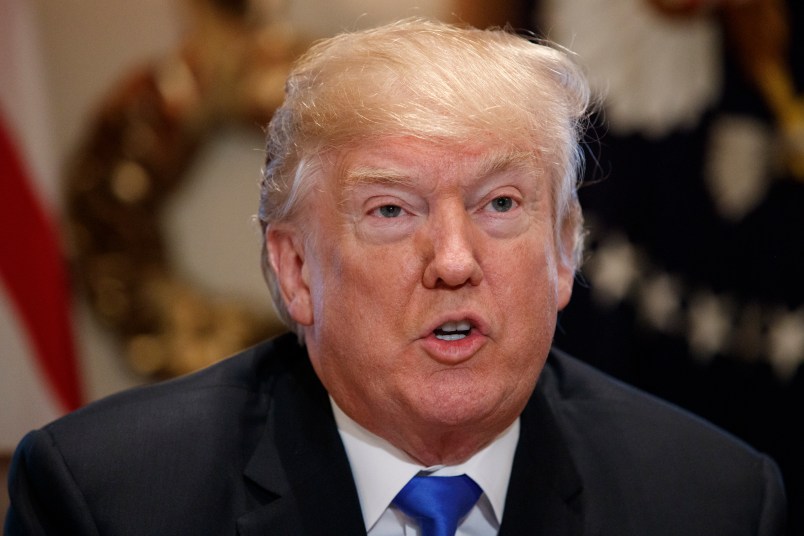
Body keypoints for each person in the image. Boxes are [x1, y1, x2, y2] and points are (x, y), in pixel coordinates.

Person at [4, 18, 786, 535]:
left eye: (501, 203)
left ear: (565, 249)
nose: (453, 261)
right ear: (296, 268)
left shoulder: (711, 502)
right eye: (391, 211)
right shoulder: (108, 501)